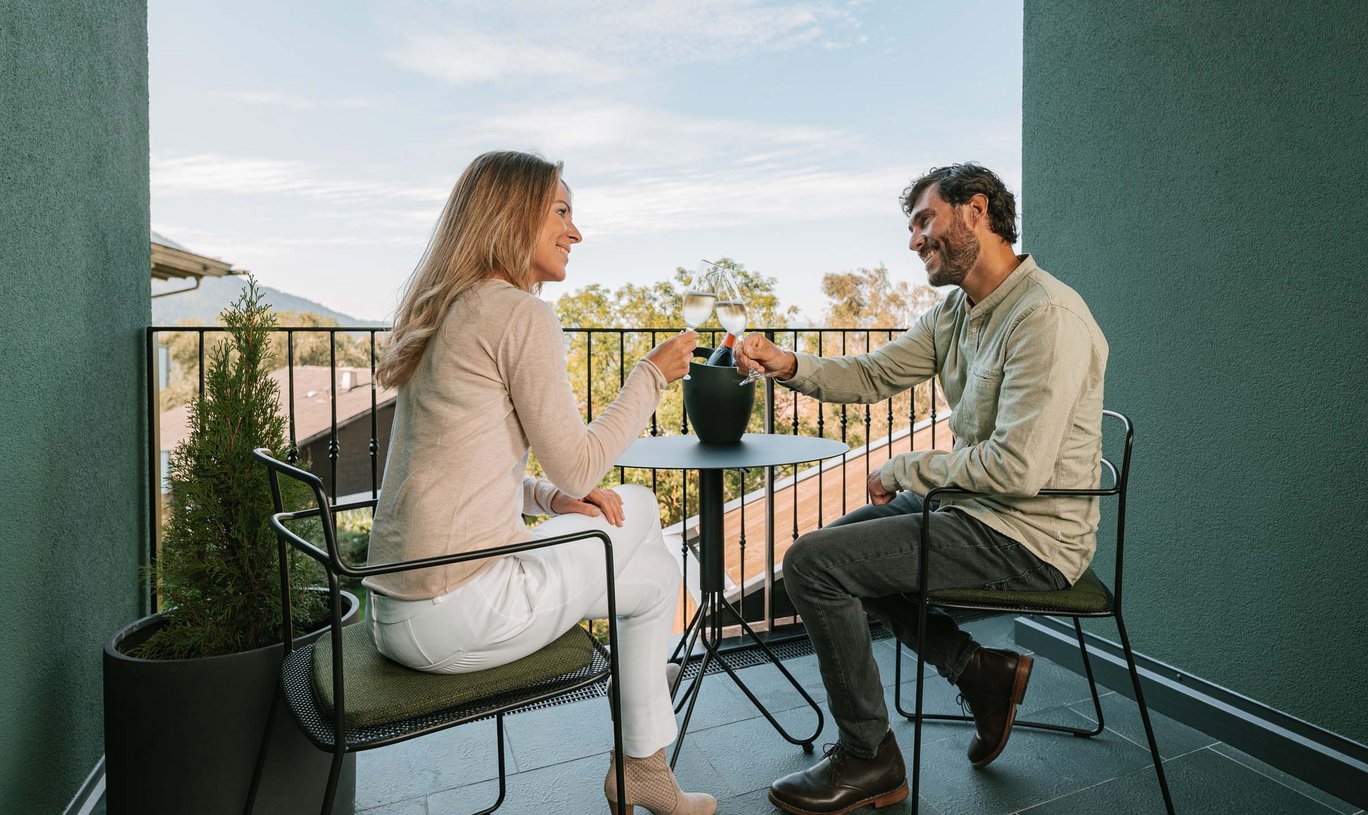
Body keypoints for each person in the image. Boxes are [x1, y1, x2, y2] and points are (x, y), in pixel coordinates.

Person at [734, 163, 1108, 815]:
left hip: (1030, 534)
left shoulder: (1046, 317)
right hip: (972, 511)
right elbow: (873, 374)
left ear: (976, 212)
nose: (913, 240)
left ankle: (868, 754)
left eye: (924, 219)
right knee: (827, 550)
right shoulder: (956, 315)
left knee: (813, 564)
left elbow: (1018, 470)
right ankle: (976, 669)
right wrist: (787, 364)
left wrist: (906, 469)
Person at [365, 151, 715, 815]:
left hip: (401, 607)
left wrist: (551, 499)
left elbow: (461, 464)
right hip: (456, 610)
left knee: (652, 581)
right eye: (561, 210)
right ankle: (647, 694)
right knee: (636, 505)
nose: (575, 231)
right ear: (513, 215)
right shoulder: (519, 314)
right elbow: (581, 463)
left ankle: (643, 763)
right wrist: (651, 375)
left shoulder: (452, 308)